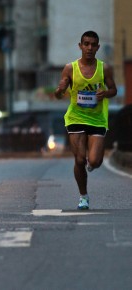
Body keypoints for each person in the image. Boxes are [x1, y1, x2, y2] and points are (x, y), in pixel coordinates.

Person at [54, 30, 117, 210]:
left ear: (97, 47)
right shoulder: (70, 68)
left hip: (97, 119)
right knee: (79, 159)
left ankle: (92, 163)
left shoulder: (104, 68)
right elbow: (58, 95)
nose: (89, 48)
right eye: (86, 44)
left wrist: (105, 93)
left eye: (93, 45)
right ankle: (83, 196)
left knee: (95, 161)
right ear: (80, 46)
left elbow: (114, 90)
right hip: (76, 117)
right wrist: (59, 90)